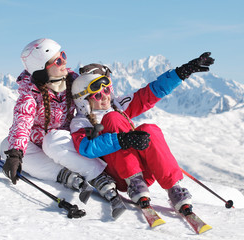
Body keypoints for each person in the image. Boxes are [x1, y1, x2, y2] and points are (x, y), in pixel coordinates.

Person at [69, 53, 214, 215]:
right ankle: (134, 182)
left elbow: (149, 93)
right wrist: (121, 140)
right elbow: (86, 148)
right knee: (112, 118)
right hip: (121, 177)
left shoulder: (118, 105)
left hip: (146, 172)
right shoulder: (81, 122)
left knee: (149, 129)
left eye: (107, 90)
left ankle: (174, 188)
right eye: (98, 95)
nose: (105, 97)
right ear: (83, 100)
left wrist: (182, 72)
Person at [0, 38, 123, 211]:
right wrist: (15, 154)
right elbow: (23, 120)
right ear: (42, 69)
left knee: (52, 139)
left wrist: (101, 74)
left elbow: (98, 95)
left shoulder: (73, 81)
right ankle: (64, 175)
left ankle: (97, 176)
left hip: (64, 142)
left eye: (63, 55)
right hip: (38, 144)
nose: (65, 61)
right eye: (58, 60)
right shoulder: (30, 93)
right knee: (6, 145)